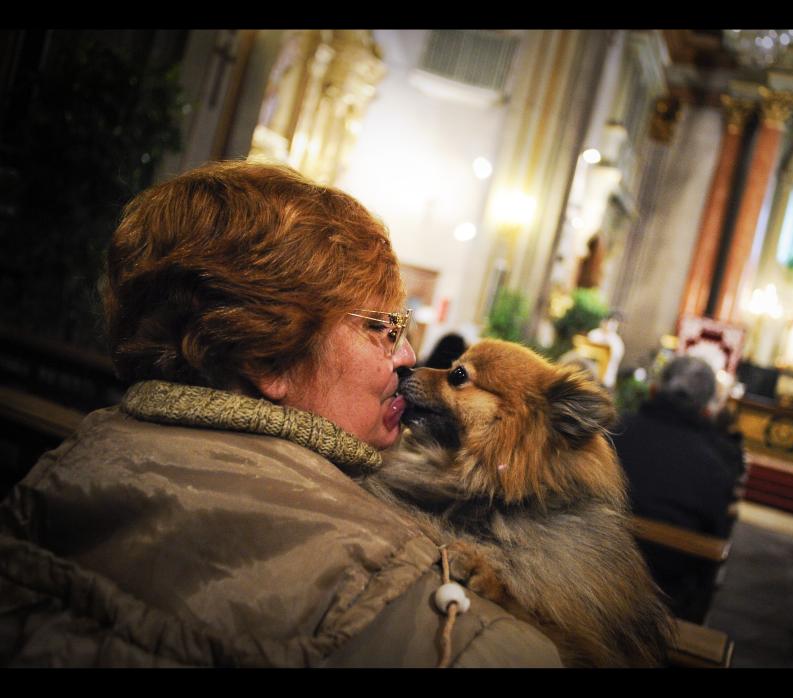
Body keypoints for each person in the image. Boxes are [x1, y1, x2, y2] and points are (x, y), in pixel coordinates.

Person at [0, 161, 562, 667]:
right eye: (383, 328)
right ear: (270, 357)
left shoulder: (65, 466)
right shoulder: (457, 635)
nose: (408, 356)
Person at [612, 355, 739, 622]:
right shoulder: (716, 464)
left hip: (582, 570)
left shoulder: (614, 430)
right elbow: (712, 547)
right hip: (662, 595)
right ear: (707, 408)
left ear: (656, 388)